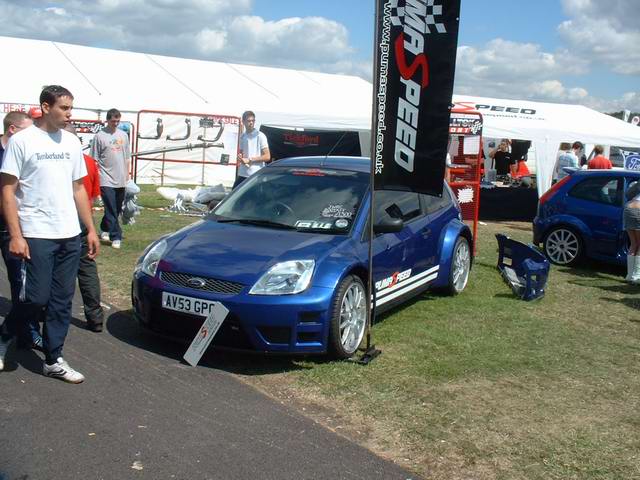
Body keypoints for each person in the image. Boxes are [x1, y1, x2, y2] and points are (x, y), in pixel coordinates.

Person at [0, 85, 100, 382]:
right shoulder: (22, 141)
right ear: (46, 107)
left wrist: (90, 230)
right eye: (64, 108)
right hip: (35, 232)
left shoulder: (71, 142)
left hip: (69, 233)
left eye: (71, 108)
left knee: (61, 299)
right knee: (36, 297)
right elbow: (7, 190)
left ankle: (54, 358)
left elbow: (79, 188)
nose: (70, 114)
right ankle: (6, 333)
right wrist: (16, 235)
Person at [0, 111, 43, 350]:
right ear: (13, 130)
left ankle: (29, 332)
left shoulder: (29, 152)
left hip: (15, 226)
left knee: (22, 282)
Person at [66, 124, 106, 332]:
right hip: (83, 218)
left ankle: (48, 311)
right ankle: (95, 317)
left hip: (66, 218)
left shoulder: (63, 162)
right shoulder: (90, 163)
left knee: (61, 268)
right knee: (87, 268)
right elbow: (93, 193)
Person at [90, 108, 131, 249]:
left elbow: (127, 157)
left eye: (118, 121)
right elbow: (93, 159)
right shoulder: (99, 136)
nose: (116, 124)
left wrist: (127, 175)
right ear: (107, 120)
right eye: (113, 121)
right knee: (111, 207)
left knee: (117, 208)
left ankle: (104, 227)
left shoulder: (123, 135)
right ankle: (116, 236)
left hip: (120, 178)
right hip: (105, 177)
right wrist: (95, 178)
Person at [234, 110, 270, 188]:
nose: (251, 123)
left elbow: (267, 156)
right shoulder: (242, 136)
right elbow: (241, 152)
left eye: (253, 121)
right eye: (248, 121)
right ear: (243, 121)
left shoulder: (260, 136)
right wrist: (240, 157)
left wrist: (250, 160)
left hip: (255, 174)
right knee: (234, 195)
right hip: (243, 173)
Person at [624, 181, 640, 283]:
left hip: (628, 207)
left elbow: (628, 194)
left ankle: (629, 275)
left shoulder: (638, 184)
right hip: (639, 209)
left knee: (634, 243)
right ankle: (637, 277)